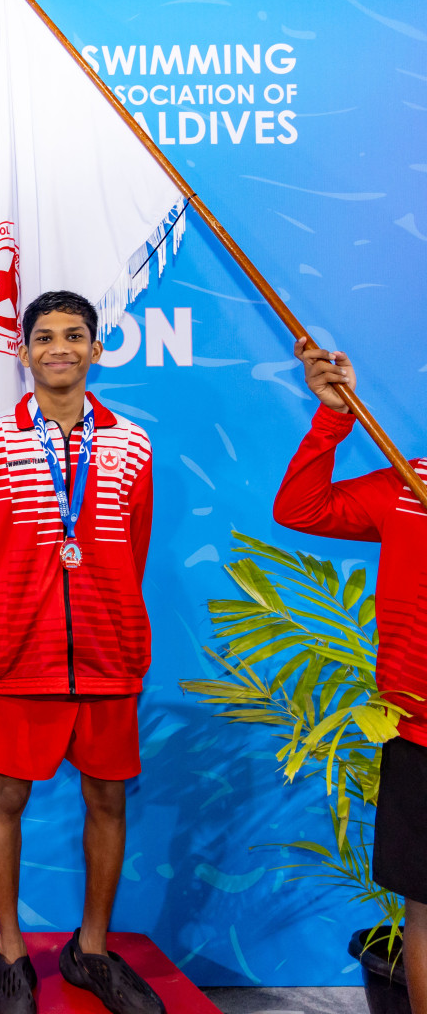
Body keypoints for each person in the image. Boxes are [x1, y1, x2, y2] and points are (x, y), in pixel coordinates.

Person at [0, 290, 162, 1014]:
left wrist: (115, 628)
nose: (60, 348)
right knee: (7, 796)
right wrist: (1, 638)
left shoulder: (132, 444)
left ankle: (92, 949)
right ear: (24, 353)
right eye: (44, 337)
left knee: (107, 800)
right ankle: (10, 952)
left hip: (108, 656)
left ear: (97, 348)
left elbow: (132, 551)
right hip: (23, 659)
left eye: (75, 335)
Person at [273, 339, 427, 1014]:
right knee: (424, 913)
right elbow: (301, 509)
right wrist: (332, 419)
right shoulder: (410, 483)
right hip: (419, 738)